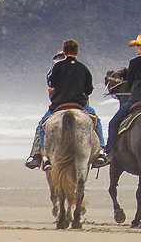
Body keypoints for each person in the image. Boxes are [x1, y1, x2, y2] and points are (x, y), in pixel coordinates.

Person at [25, 39, 107, 170]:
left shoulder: (57, 66)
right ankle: (102, 150)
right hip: (79, 104)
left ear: (64, 51)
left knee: (41, 126)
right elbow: (89, 89)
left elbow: (51, 83)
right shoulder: (83, 68)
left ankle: (39, 155)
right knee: (97, 121)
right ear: (77, 52)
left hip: (59, 104)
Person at [104, 34, 141, 152]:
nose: (136, 48)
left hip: (136, 99)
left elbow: (130, 84)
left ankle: (110, 151)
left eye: (137, 46)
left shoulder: (134, 62)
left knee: (113, 123)